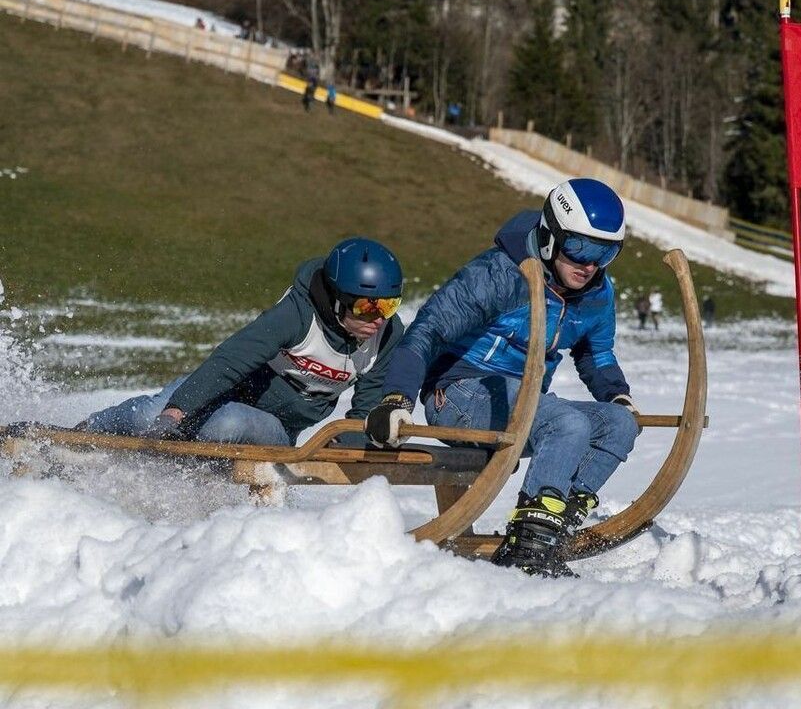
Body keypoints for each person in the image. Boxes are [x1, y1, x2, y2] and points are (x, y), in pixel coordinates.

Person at [366, 177, 640, 577]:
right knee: (568, 422)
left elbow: (595, 352)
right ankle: (529, 546)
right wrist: (397, 398)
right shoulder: (500, 273)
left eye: (606, 253)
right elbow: (428, 330)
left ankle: (553, 522)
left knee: (619, 425)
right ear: (551, 236)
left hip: (524, 403)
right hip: (460, 393)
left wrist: (616, 395)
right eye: (580, 247)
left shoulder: (597, 292)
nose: (590, 264)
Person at [82, 239, 405, 447]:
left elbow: (366, 408)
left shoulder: (386, 335)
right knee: (152, 413)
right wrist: (174, 413)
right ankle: (83, 433)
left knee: (227, 424)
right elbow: (231, 360)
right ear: (337, 299)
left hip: (272, 428)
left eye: (388, 306)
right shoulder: (296, 316)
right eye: (366, 307)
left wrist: (344, 448)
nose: (379, 318)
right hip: (222, 390)